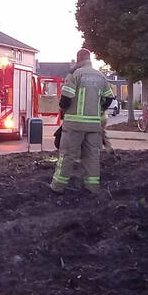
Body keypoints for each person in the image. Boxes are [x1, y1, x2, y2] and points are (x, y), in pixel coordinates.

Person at [51, 48, 114, 195]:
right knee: (92, 156)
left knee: (67, 155)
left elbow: (66, 98)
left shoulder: (75, 74)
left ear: (78, 59)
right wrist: (99, 110)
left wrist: (63, 110)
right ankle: (92, 187)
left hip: (74, 125)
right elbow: (110, 98)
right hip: (93, 125)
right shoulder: (101, 76)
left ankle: (58, 186)